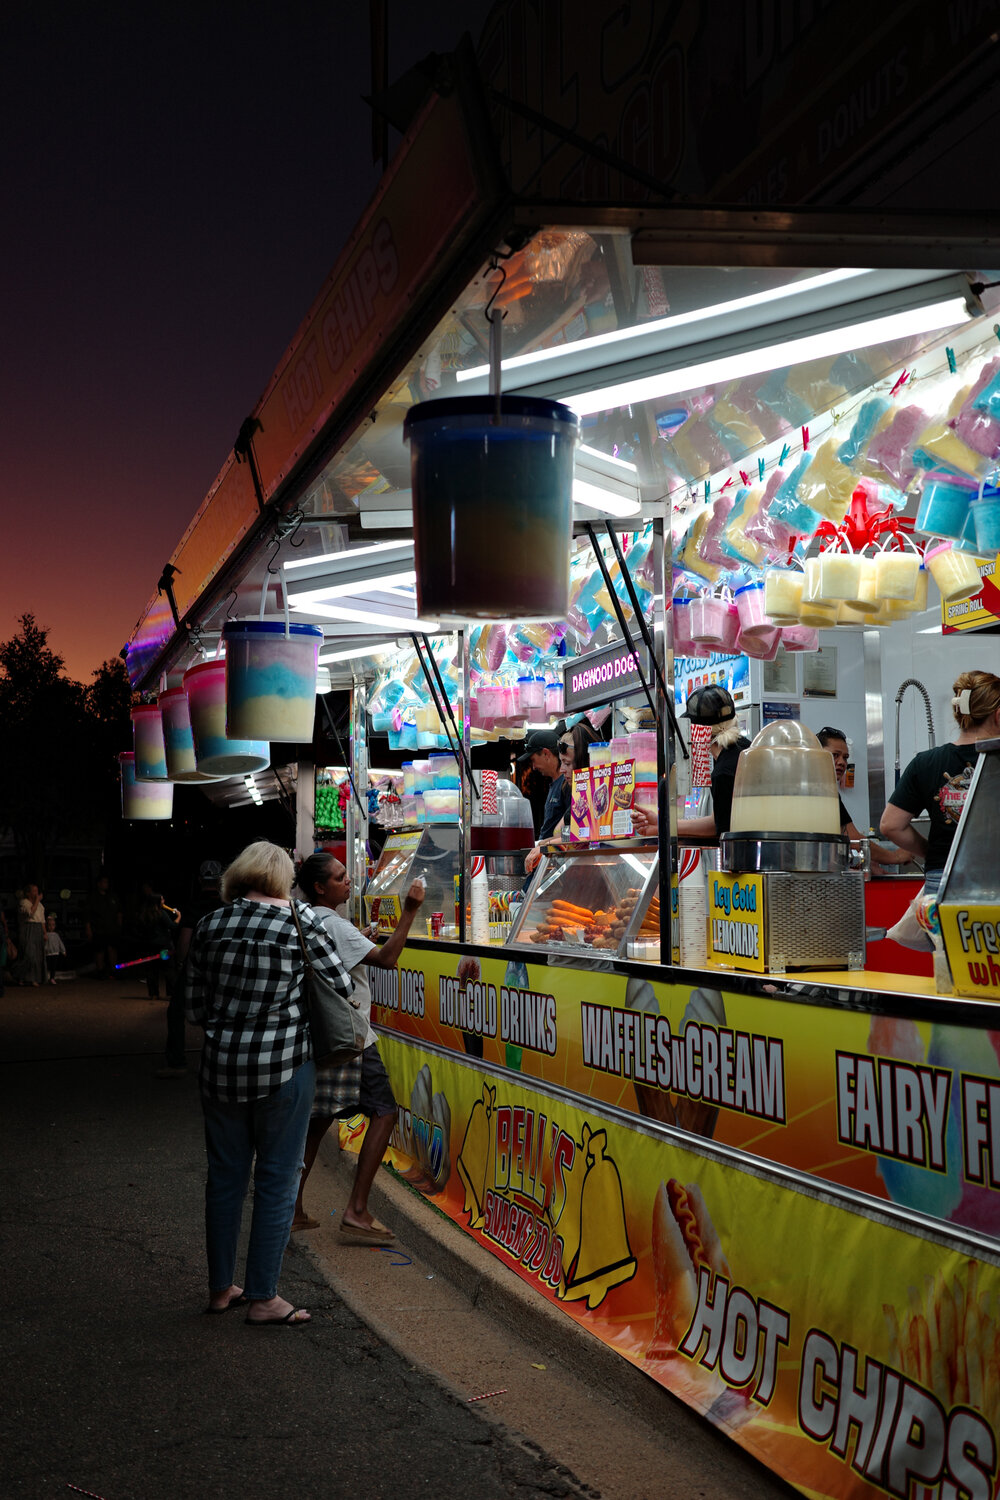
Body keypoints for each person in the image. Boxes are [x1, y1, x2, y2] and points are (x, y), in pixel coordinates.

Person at [183, 839, 353, 1326]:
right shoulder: (300, 923)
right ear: (283, 879)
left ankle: (220, 1289)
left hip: (219, 1070)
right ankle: (263, 1298)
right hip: (284, 1069)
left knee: (225, 1178)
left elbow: (194, 1008)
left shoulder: (211, 925)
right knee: (278, 1179)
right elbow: (340, 988)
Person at [292, 852, 424, 1244]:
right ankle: (357, 1210)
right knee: (384, 1113)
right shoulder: (334, 923)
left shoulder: (311, 919)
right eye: (340, 877)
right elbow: (387, 959)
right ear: (320, 887)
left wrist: (358, 941)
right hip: (353, 1037)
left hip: (322, 1035)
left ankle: (293, 1208)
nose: (348, 881)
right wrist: (410, 912)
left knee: (317, 1123)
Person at [880, 670, 1000, 893]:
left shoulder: (925, 762)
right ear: (998, 715)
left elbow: (891, 825)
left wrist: (934, 851)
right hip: (994, 879)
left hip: (942, 880)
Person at [157, 860, 224, 1078]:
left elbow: (185, 939)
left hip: (195, 967)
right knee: (219, 1013)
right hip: (222, 968)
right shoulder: (227, 905)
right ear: (221, 880)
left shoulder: (195, 906)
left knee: (176, 1012)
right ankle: (218, 1061)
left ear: (199, 880)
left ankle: (177, 1061)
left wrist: (180, 964)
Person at [816, 726, 911, 868]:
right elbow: (853, 839)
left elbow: (842, 839)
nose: (842, 762)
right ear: (816, 756)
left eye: (845, 757)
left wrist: (867, 863)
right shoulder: (821, 791)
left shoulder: (825, 790)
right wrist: (895, 857)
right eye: (835, 755)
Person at [676, 685, 751, 840]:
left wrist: (666, 826)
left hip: (749, 857)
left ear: (698, 730)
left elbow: (718, 827)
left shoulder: (723, 771)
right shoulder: (747, 747)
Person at [522, 727, 568, 873]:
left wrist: (544, 845)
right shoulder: (555, 784)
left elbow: (571, 833)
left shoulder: (567, 785)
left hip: (559, 864)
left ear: (546, 754)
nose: (534, 767)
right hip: (547, 860)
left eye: (534, 760)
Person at [85, 872, 122, 980]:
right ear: (99, 884)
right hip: (99, 928)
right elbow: (87, 914)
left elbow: (119, 912)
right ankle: (100, 971)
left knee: (112, 949)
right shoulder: (93, 898)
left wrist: (119, 925)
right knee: (99, 950)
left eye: (107, 882)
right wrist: (88, 929)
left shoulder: (112, 896)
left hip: (112, 928)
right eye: (104, 882)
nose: (106, 884)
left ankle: (113, 970)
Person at [15, 883, 46, 987]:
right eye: (34, 891)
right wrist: (37, 900)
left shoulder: (40, 906)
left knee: (37, 956)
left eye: (37, 891)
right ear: (28, 893)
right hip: (28, 929)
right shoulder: (24, 902)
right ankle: (20, 976)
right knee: (29, 955)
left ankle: (34, 978)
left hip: (37, 929)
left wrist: (45, 933)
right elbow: (30, 913)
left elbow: (42, 920)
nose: (36, 893)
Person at [43, 913, 66, 984]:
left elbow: (60, 943)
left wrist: (63, 951)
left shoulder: (56, 935)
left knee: (53, 967)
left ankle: (52, 978)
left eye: (53, 925)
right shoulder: (45, 935)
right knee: (46, 966)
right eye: (49, 925)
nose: (51, 927)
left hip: (55, 953)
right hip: (47, 953)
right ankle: (45, 978)